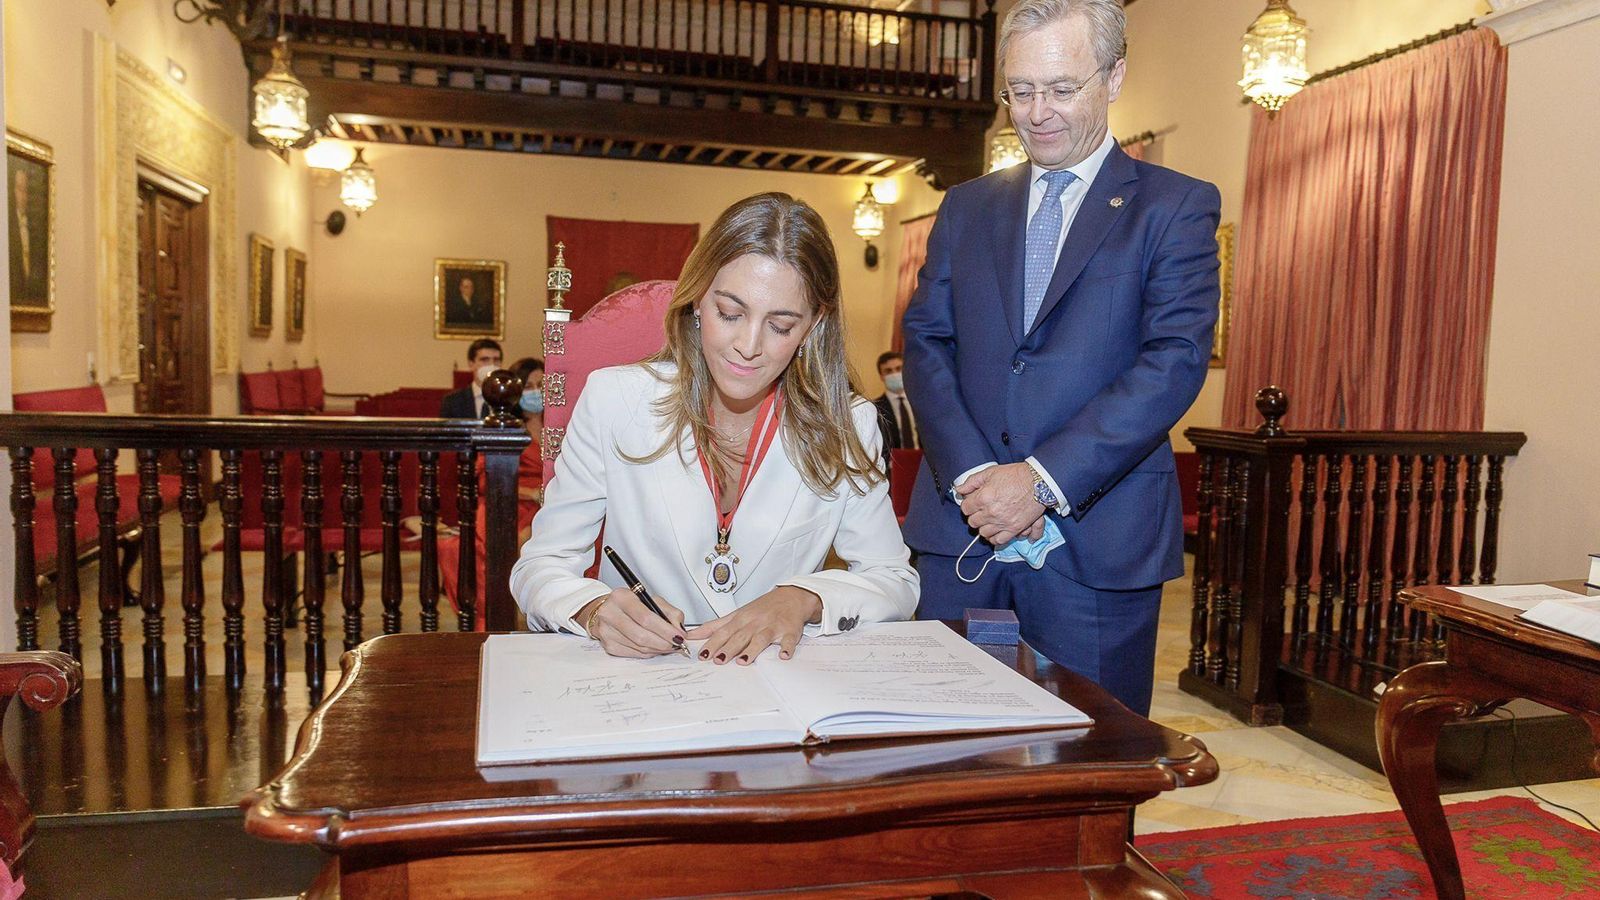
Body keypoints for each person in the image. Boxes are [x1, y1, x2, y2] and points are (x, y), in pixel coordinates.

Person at [901, 0, 1220, 718]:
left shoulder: (1174, 208)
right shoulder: (965, 207)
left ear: (1113, 78)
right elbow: (926, 341)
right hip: (961, 529)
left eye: (1061, 88)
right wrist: (978, 476)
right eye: (1020, 91)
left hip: (1095, 546)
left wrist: (1041, 482)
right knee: (944, 745)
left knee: (1091, 758)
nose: (1037, 112)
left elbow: (1173, 360)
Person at [513, 193, 918, 663]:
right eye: (730, 313)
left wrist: (806, 599)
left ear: (813, 325)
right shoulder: (614, 399)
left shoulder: (848, 424)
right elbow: (540, 566)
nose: (748, 346)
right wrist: (594, 609)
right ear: (698, 299)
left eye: (781, 325)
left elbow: (895, 582)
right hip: (637, 683)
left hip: (775, 685)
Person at [441, 357, 545, 628]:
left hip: (552, 502)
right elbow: (485, 482)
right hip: (511, 503)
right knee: (524, 538)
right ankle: (516, 616)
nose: (537, 392)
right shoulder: (505, 427)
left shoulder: (560, 425)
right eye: (530, 386)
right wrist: (531, 493)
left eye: (542, 385)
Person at [871, 351, 918, 471]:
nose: (894, 374)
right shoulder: (874, 408)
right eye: (888, 371)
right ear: (881, 376)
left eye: (898, 368)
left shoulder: (922, 402)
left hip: (924, 466)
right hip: (893, 470)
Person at [439, 338, 503, 418]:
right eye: (485, 360)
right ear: (471, 364)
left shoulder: (509, 400)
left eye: (496, 360)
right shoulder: (452, 401)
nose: (491, 365)